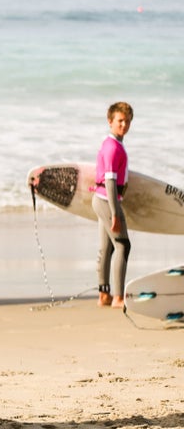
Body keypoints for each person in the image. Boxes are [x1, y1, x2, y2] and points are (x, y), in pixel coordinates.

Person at [93, 102, 133, 308]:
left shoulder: (113, 144)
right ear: (110, 121)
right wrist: (115, 212)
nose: (124, 125)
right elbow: (110, 182)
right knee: (123, 245)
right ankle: (118, 297)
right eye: (120, 121)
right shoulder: (112, 148)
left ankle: (104, 295)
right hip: (107, 201)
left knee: (107, 247)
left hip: (102, 200)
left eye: (127, 121)